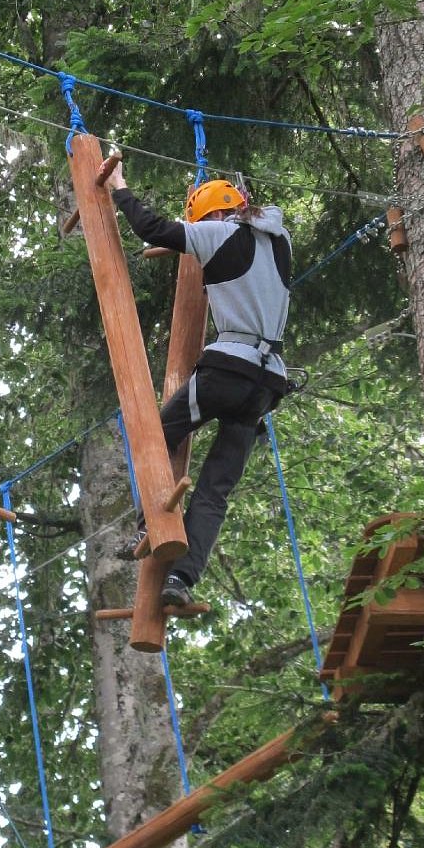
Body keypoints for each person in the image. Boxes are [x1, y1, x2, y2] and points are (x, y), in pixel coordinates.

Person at [104, 164, 292, 608]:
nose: (198, 228)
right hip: (265, 384)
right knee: (215, 491)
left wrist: (121, 188)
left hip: (226, 371)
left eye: (200, 219)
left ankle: (153, 522)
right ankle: (181, 581)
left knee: (155, 433)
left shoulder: (216, 234)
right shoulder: (280, 240)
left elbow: (153, 229)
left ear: (212, 216)